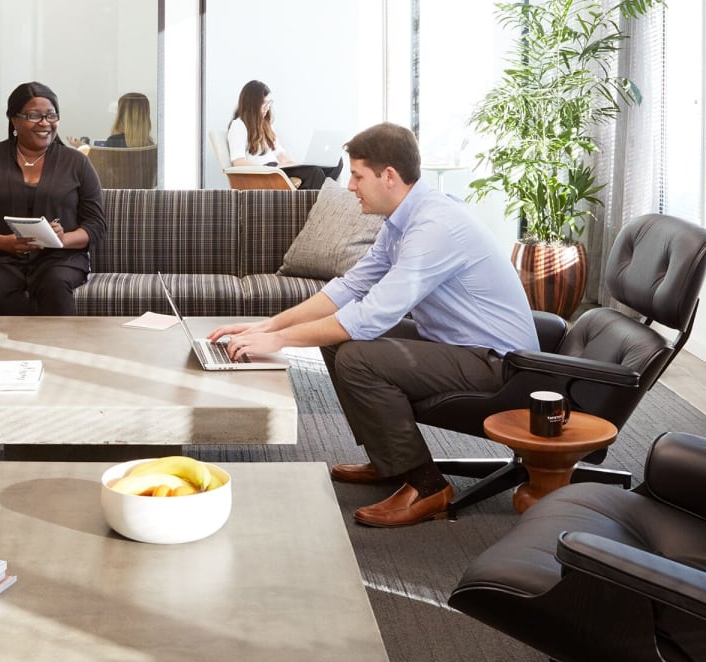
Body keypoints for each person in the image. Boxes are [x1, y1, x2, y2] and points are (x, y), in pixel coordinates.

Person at [208, 122, 538, 528]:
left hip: (498, 365)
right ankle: (390, 462)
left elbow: (369, 316)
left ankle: (427, 485)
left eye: (357, 176)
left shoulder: (434, 228)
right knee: (337, 340)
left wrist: (277, 341)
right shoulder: (403, 219)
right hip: (461, 346)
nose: (350, 186)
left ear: (389, 176)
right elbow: (350, 287)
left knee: (358, 355)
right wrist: (265, 325)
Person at [0, 81, 106, 314]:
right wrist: (2, 242)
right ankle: (14, 349)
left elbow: (96, 225)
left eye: (51, 115)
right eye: (34, 116)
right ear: (14, 120)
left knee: (55, 284)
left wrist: (63, 239)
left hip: (60, 258)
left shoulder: (76, 162)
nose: (45, 123)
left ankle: (58, 350)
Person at [226, 79, 339, 189]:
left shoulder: (266, 124)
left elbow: (279, 153)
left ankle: (321, 197)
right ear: (252, 104)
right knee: (315, 172)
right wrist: (269, 169)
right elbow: (238, 161)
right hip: (267, 172)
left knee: (335, 163)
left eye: (269, 103)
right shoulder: (239, 125)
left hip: (278, 169)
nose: (267, 108)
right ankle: (316, 199)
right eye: (264, 104)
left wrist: (294, 164)